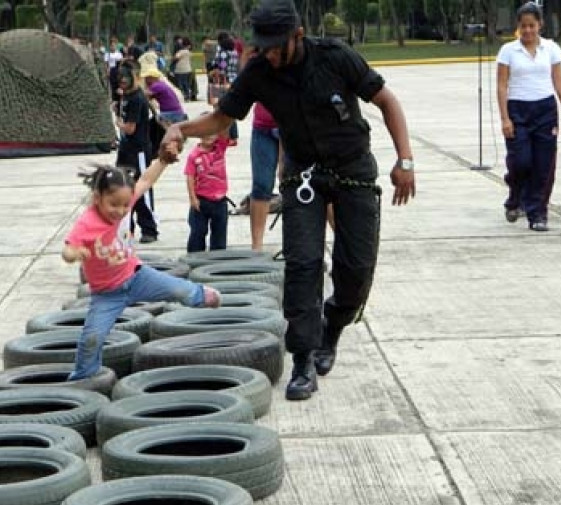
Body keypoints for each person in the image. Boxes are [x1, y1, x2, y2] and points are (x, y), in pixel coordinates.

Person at [158, 0, 416, 401]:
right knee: (302, 264)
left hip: (353, 171)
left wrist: (405, 160)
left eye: (277, 46)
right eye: (264, 46)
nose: (271, 54)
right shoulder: (260, 70)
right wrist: (180, 128)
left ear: (297, 35)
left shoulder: (335, 57)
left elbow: (387, 101)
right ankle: (303, 359)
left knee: (356, 270)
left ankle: (332, 327)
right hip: (303, 176)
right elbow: (222, 118)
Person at [63, 161, 222, 381]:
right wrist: (76, 253)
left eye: (125, 205)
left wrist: (163, 161)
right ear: (98, 198)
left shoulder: (125, 201)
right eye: (113, 204)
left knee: (177, 290)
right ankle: (84, 377)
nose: (120, 211)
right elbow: (67, 250)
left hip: (137, 277)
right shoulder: (87, 222)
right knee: (92, 338)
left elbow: (147, 179)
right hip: (106, 295)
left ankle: (201, 295)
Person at [497, 1, 561, 232]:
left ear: (540, 25)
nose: (528, 31)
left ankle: (537, 213)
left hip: (545, 110)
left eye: (532, 26)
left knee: (544, 165)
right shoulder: (508, 51)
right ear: (518, 27)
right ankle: (515, 195)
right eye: (523, 26)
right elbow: (502, 86)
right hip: (518, 110)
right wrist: (505, 118)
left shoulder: (551, 49)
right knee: (521, 161)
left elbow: (559, 82)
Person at [115, 59, 158, 244]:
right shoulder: (126, 96)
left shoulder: (137, 98)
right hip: (126, 149)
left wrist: (118, 123)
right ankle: (128, 228)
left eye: (127, 77)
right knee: (123, 187)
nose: (123, 81)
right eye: (120, 78)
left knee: (141, 190)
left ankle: (149, 228)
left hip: (138, 150)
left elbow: (131, 128)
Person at [185, 121, 231, 252]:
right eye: (205, 132)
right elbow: (189, 177)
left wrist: (221, 114)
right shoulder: (194, 155)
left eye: (212, 132)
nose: (209, 135)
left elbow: (225, 129)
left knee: (219, 234)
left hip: (220, 200)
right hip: (201, 200)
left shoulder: (220, 147)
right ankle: (194, 258)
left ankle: (217, 259)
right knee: (198, 232)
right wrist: (192, 198)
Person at [249, 103, 280, 250]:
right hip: (263, 126)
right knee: (261, 186)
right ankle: (256, 247)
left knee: (303, 187)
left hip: (294, 125)